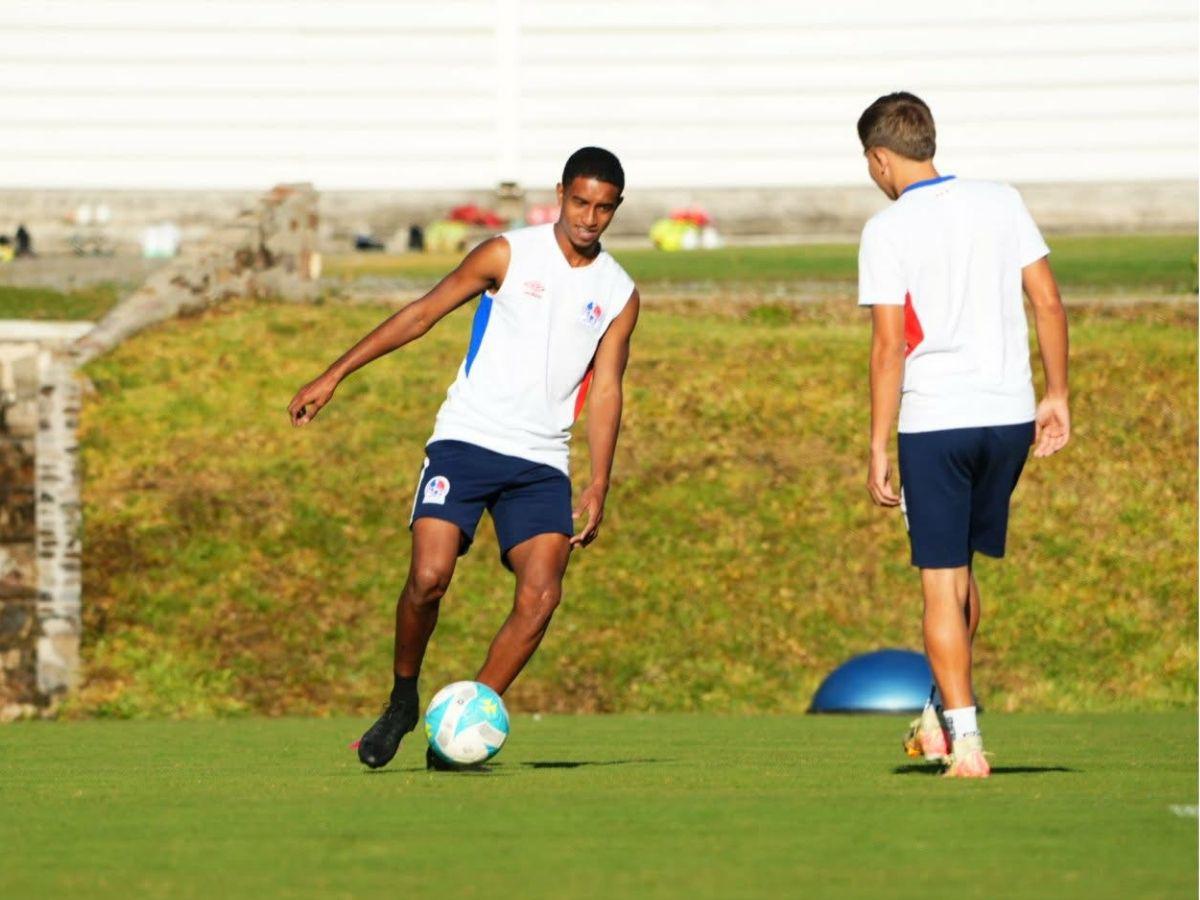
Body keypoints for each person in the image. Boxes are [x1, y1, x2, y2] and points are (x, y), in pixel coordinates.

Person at [288, 147, 639, 770]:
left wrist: (600, 481)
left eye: (603, 208)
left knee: (541, 596)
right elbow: (423, 313)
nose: (589, 218)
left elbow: (607, 389)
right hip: (467, 440)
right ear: (560, 193)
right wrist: (334, 374)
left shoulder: (618, 292)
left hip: (541, 461)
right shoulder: (506, 253)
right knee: (428, 579)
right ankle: (402, 701)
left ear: (616, 208)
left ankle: (461, 728)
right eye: (580, 202)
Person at [855, 93, 1070, 778]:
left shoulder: (886, 229)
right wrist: (1058, 394)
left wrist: (877, 444)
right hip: (1008, 418)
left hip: (936, 421)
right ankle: (940, 716)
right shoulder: (1002, 200)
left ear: (880, 158)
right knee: (962, 572)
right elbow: (1048, 300)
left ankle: (967, 744)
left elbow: (888, 347)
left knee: (940, 584)